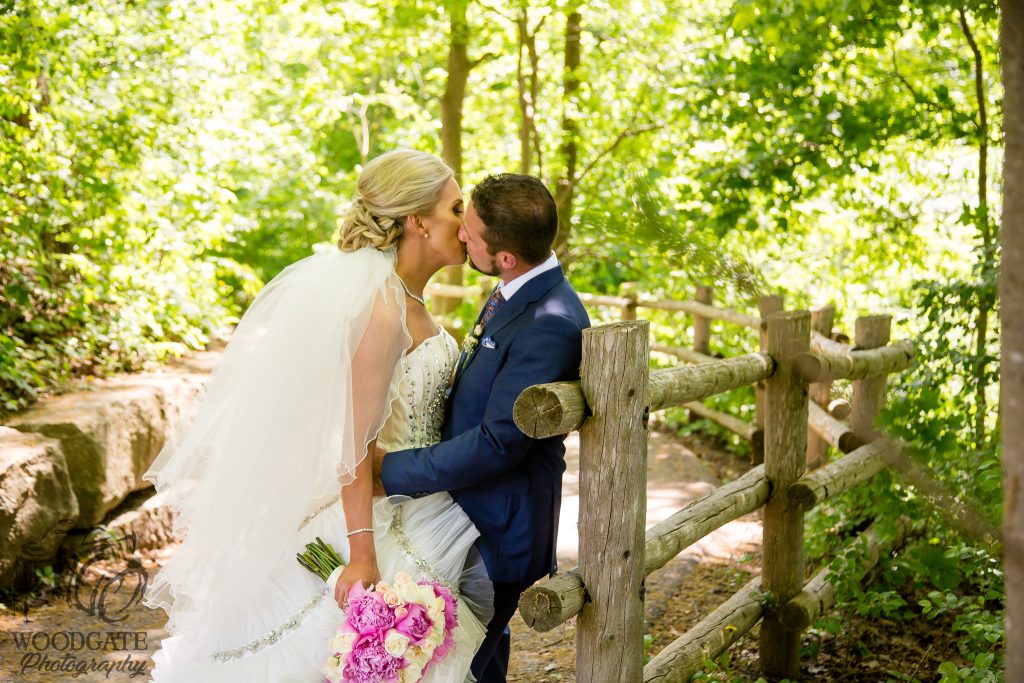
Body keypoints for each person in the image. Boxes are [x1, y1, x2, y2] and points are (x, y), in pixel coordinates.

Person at [144, 149, 493, 682]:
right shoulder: (382, 311)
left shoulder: (411, 301)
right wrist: (362, 555)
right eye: (455, 208)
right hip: (384, 513)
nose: (466, 222)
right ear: (417, 222)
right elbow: (355, 445)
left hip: (426, 500)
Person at [376, 173, 590, 682]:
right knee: (479, 667)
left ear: (507, 257)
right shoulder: (518, 291)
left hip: (497, 533)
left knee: (454, 666)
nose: (460, 235)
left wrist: (387, 471)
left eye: (470, 233)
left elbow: (498, 443)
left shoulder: (550, 321)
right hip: (464, 516)